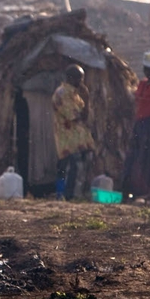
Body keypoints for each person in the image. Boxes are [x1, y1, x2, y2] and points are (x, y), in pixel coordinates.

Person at [122, 49, 150, 202]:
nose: (148, 71)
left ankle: (149, 194)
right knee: (134, 158)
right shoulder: (142, 84)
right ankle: (132, 192)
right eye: (146, 68)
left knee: (149, 160)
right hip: (139, 124)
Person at [52, 64, 95, 200]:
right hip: (67, 139)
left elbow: (85, 115)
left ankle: (67, 195)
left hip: (76, 139)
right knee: (69, 167)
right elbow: (77, 116)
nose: (81, 82)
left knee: (69, 167)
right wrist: (87, 99)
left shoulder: (74, 94)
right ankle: (65, 195)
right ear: (71, 78)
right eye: (79, 79)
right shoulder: (63, 94)